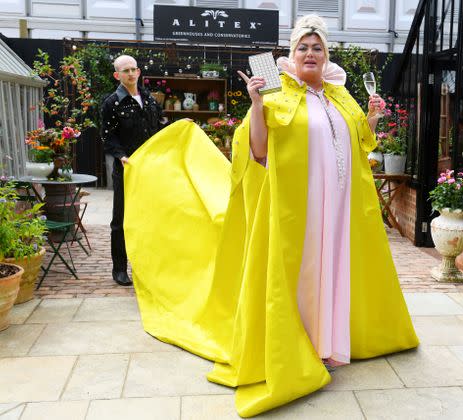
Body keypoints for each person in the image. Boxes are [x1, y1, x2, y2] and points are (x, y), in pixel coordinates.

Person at [123, 14, 418, 418]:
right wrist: (257, 103)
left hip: (339, 206)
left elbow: (357, 140)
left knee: (334, 268)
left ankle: (332, 342)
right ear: (291, 55)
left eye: (317, 47)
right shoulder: (278, 96)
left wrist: (372, 117)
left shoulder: (340, 95)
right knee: (306, 272)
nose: (310, 54)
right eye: (303, 47)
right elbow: (258, 152)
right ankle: (305, 345)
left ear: (326, 54)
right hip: (299, 209)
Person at [101, 55, 163, 286]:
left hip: (151, 170)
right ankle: (119, 269)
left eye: (134, 69)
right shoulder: (111, 103)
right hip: (127, 170)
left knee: (151, 218)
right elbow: (108, 137)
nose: (130, 73)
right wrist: (120, 156)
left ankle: (146, 267)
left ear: (139, 72)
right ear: (117, 75)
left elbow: (160, 129)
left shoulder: (150, 100)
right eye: (125, 70)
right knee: (121, 220)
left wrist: (180, 128)